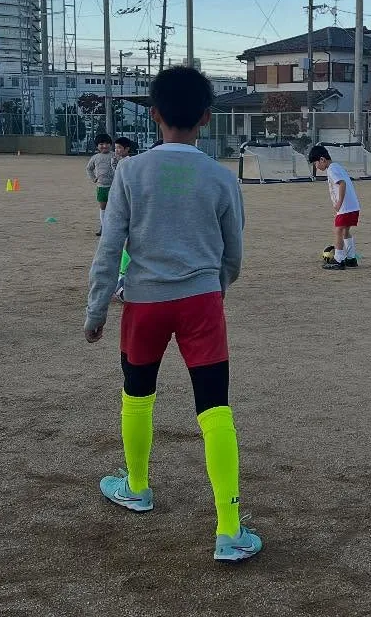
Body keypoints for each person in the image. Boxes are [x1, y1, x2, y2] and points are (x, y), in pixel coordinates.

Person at [85, 66, 260, 563]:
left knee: (137, 396)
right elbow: (234, 253)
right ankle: (229, 528)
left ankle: (137, 486)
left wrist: (96, 309)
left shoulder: (130, 171)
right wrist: (215, 289)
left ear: (154, 114)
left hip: (143, 302)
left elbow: (110, 246)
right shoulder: (221, 177)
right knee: (215, 408)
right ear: (206, 117)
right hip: (201, 301)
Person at [308, 144, 361, 270]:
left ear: (322, 160)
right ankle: (351, 258)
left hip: (345, 208)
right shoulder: (337, 167)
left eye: (316, 163)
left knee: (338, 231)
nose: (316, 167)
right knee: (345, 231)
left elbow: (342, 184)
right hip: (353, 206)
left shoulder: (332, 169)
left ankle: (339, 259)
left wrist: (339, 203)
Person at [113, 137, 135, 298]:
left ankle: (122, 279)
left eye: (120, 147)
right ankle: (122, 277)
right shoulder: (119, 162)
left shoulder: (131, 164)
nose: (117, 150)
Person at [86, 133, 116, 235]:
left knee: (114, 207)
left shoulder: (114, 155)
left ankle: (113, 227)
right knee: (103, 207)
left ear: (111, 144)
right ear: (97, 146)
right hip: (101, 187)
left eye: (107, 143)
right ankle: (103, 227)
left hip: (114, 186)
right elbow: (89, 168)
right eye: (101, 144)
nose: (104, 146)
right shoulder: (95, 157)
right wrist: (93, 178)